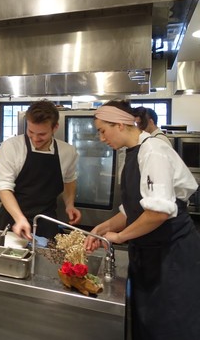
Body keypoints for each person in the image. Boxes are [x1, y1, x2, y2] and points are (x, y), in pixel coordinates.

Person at [85, 100, 200, 340]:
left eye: (102, 130)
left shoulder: (153, 151)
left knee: (171, 325)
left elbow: (158, 212)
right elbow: (133, 210)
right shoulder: (132, 153)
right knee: (147, 324)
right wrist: (103, 228)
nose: (101, 138)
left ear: (119, 124)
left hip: (171, 253)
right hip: (148, 252)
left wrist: (119, 237)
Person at [0, 100, 81, 239]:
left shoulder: (67, 152)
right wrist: (20, 219)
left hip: (46, 222)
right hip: (13, 221)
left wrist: (69, 205)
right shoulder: (11, 147)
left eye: (42, 134)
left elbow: (69, 180)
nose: (35, 138)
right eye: (31, 132)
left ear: (55, 128)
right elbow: (4, 188)